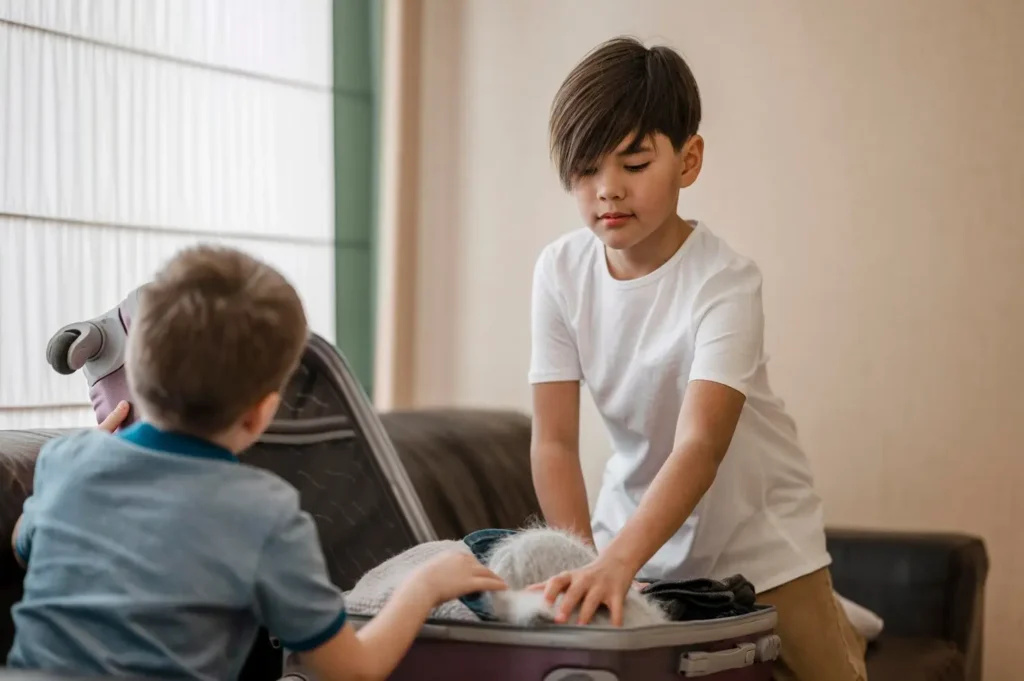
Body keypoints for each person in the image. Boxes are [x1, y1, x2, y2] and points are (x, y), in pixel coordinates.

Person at [528, 36, 867, 681]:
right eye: (586, 170)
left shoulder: (725, 282)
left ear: (689, 161)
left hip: (761, 545)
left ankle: (837, 616)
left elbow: (699, 447)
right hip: (636, 536)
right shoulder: (559, 272)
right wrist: (587, 559)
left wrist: (618, 562)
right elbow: (554, 442)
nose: (607, 191)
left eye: (633, 164)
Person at [8, 245, 506, 681]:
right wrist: (425, 586)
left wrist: (88, 456)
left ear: (134, 367)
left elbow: (24, 546)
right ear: (262, 413)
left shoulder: (66, 460)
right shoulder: (263, 513)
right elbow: (352, 669)